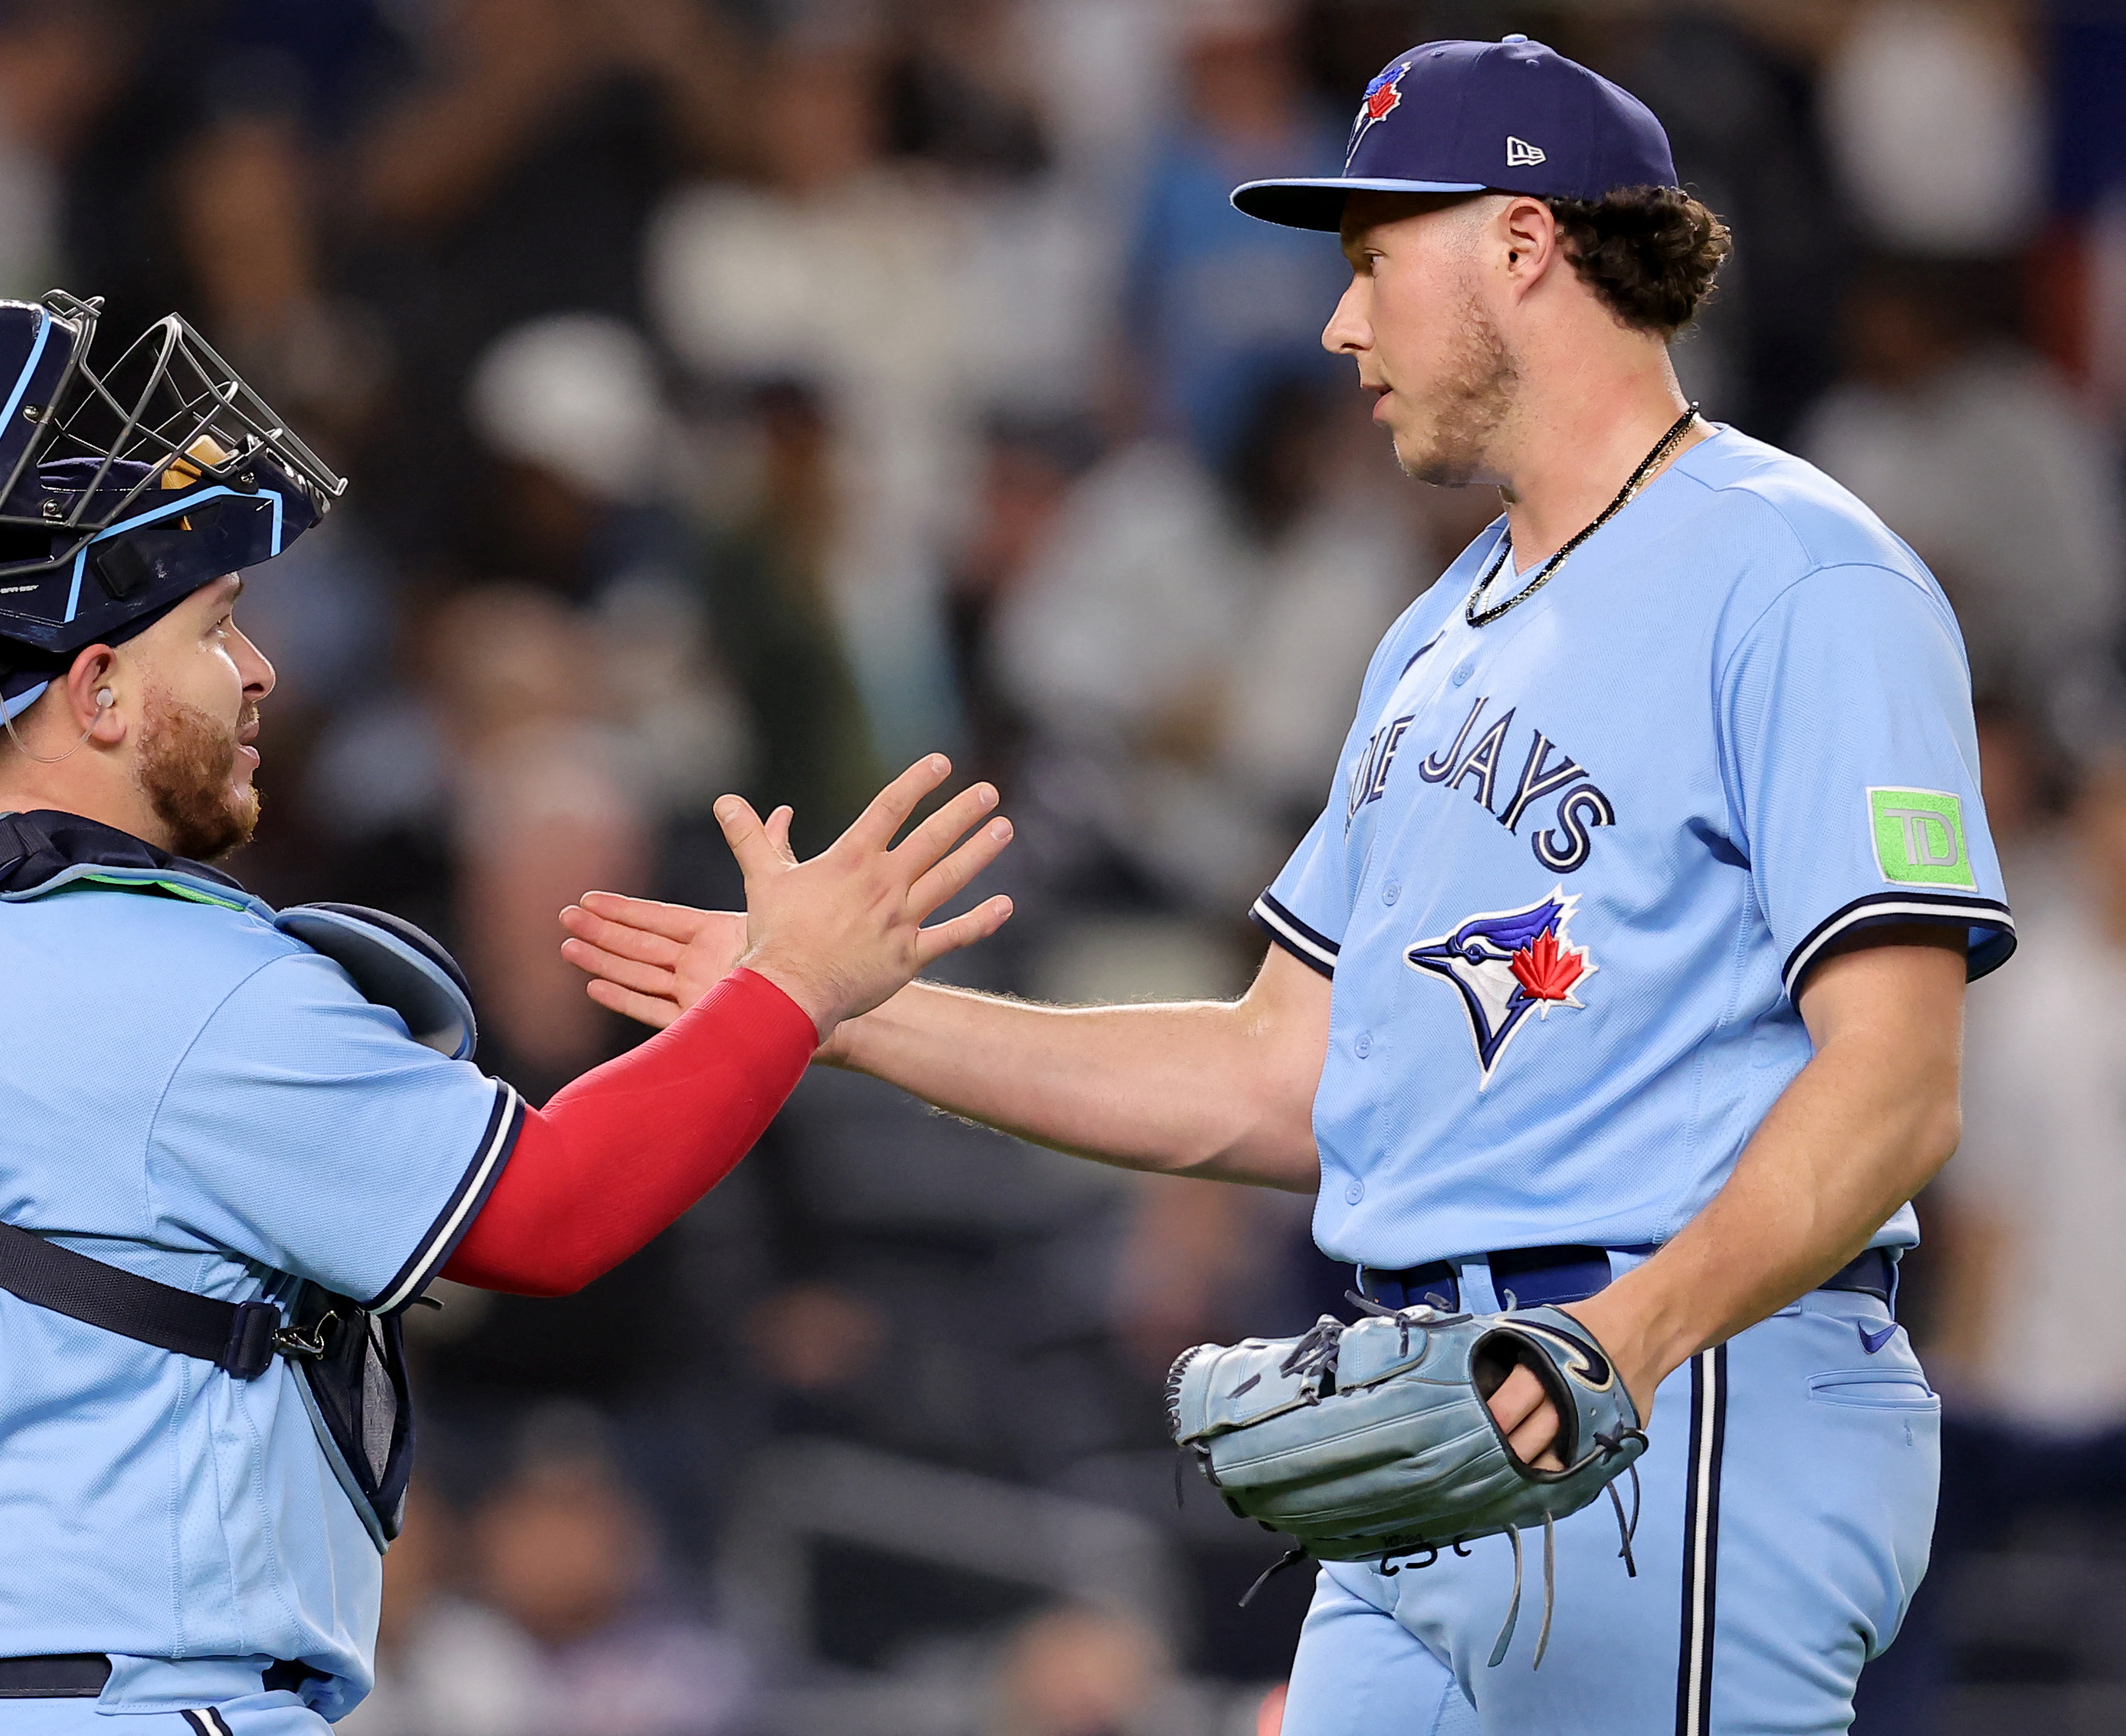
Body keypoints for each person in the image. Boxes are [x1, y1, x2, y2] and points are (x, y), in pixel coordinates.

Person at [562, 37, 2011, 1736]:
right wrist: (829, 1009)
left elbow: (1900, 1085)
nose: (1339, 326)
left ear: (1524, 245)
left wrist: (1622, 1340)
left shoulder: (1801, 574)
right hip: (1430, 1418)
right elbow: (1274, 1074)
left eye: (1374, 261)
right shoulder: (1430, 641)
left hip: (1682, 1399)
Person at [0, 290, 1012, 1732]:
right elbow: (551, 1211)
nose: (259, 673)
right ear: (101, 689)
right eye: (219, 625)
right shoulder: (183, 981)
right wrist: (791, 988)